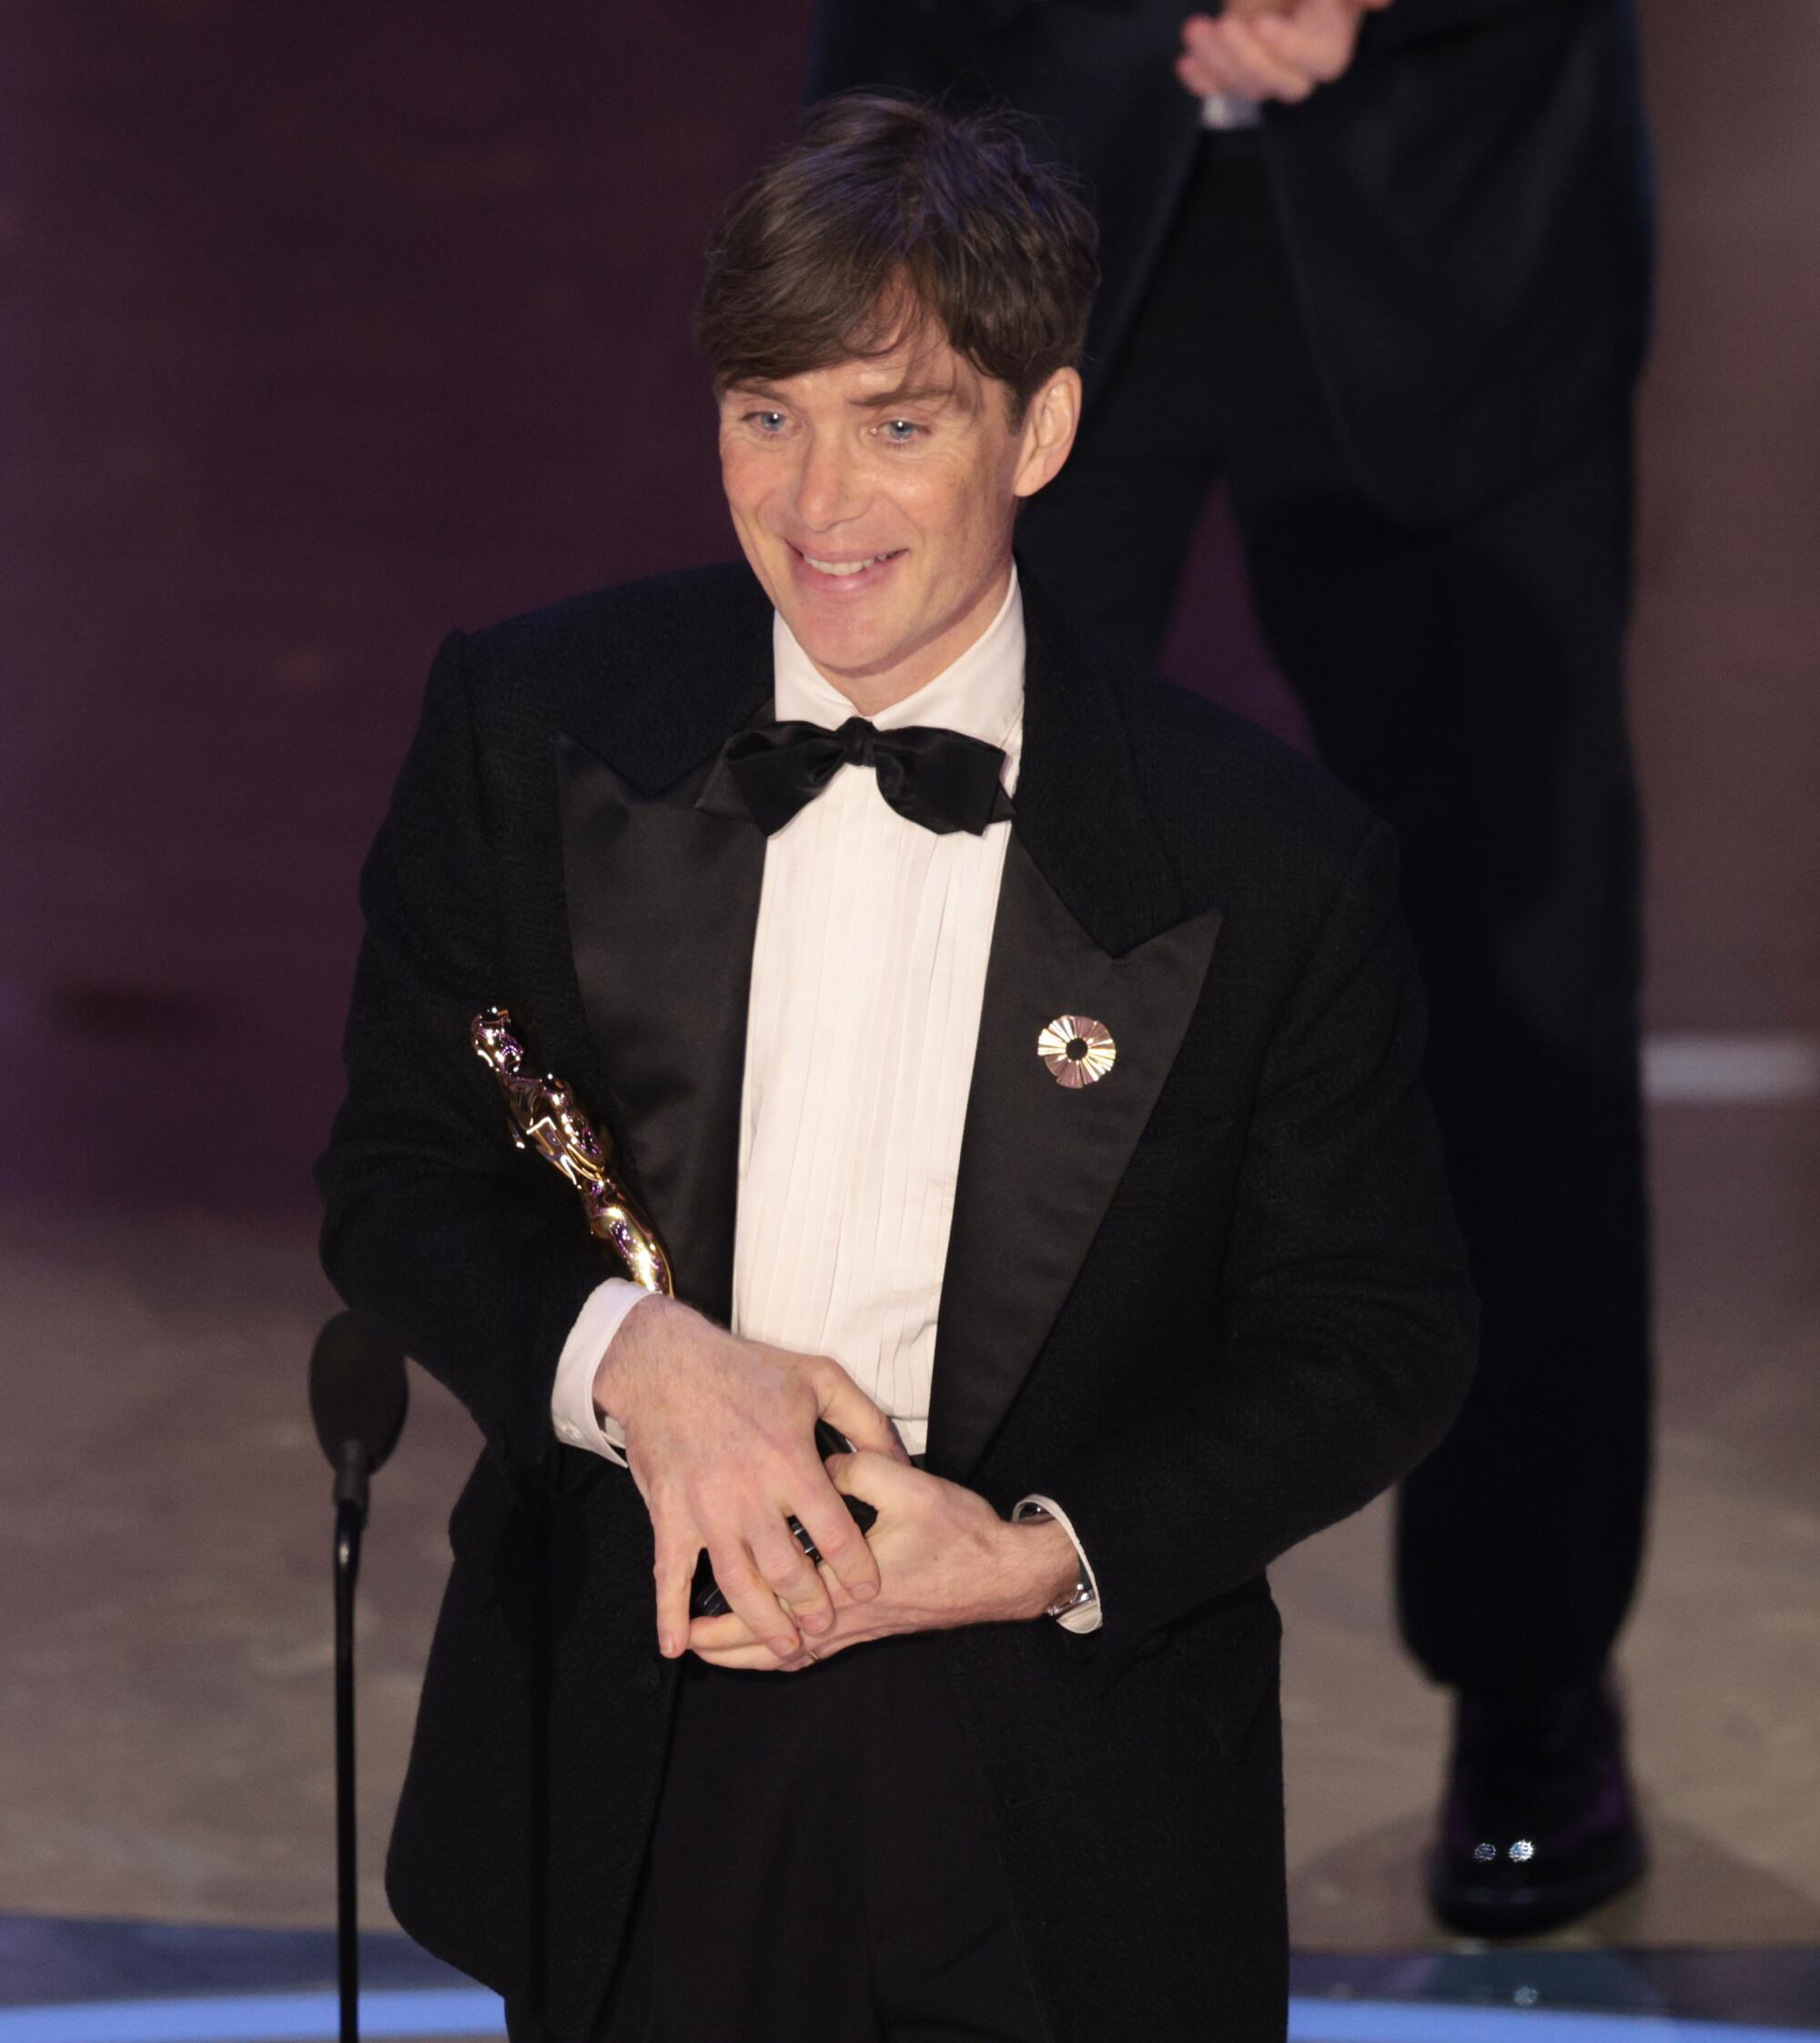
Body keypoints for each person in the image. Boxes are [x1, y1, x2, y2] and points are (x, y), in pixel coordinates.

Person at [318, 96, 1475, 2041]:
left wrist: (1044, 1556)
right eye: (765, 412)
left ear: (1043, 430)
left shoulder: (1265, 859)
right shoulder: (533, 726)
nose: (814, 499)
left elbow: (1375, 1333)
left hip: (1050, 1779)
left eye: (899, 419)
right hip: (634, 1726)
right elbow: (398, 1173)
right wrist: (628, 1368)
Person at [808, 0, 1655, 1936]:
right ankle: (911, 1646)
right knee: (924, 948)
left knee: (1512, 980)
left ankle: (1528, 1665)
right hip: (999, 150)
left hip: (1452, 210)